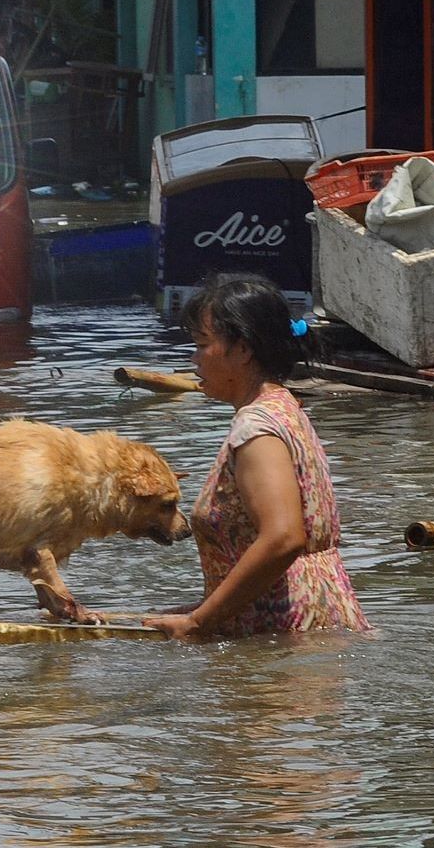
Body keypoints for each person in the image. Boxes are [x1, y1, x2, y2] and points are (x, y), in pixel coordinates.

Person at [144, 273, 370, 639]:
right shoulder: (285, 408)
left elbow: (283, 538)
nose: (194, 358)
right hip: (316, 619)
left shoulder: (256, 429)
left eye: (203, 344)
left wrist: (198, 622)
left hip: (287, 634)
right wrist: (198, 610)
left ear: (244, 349)